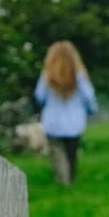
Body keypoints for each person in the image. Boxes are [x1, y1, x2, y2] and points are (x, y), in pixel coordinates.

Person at [33, 41, 95, 186]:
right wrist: (91, 110)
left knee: (57, 155)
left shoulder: (47, 76)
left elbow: (39, 96)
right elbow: (89, 96)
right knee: (71, 154)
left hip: (53, 123)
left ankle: (63, 181)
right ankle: (70, 180)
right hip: (75, 124)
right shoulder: (79, 76)